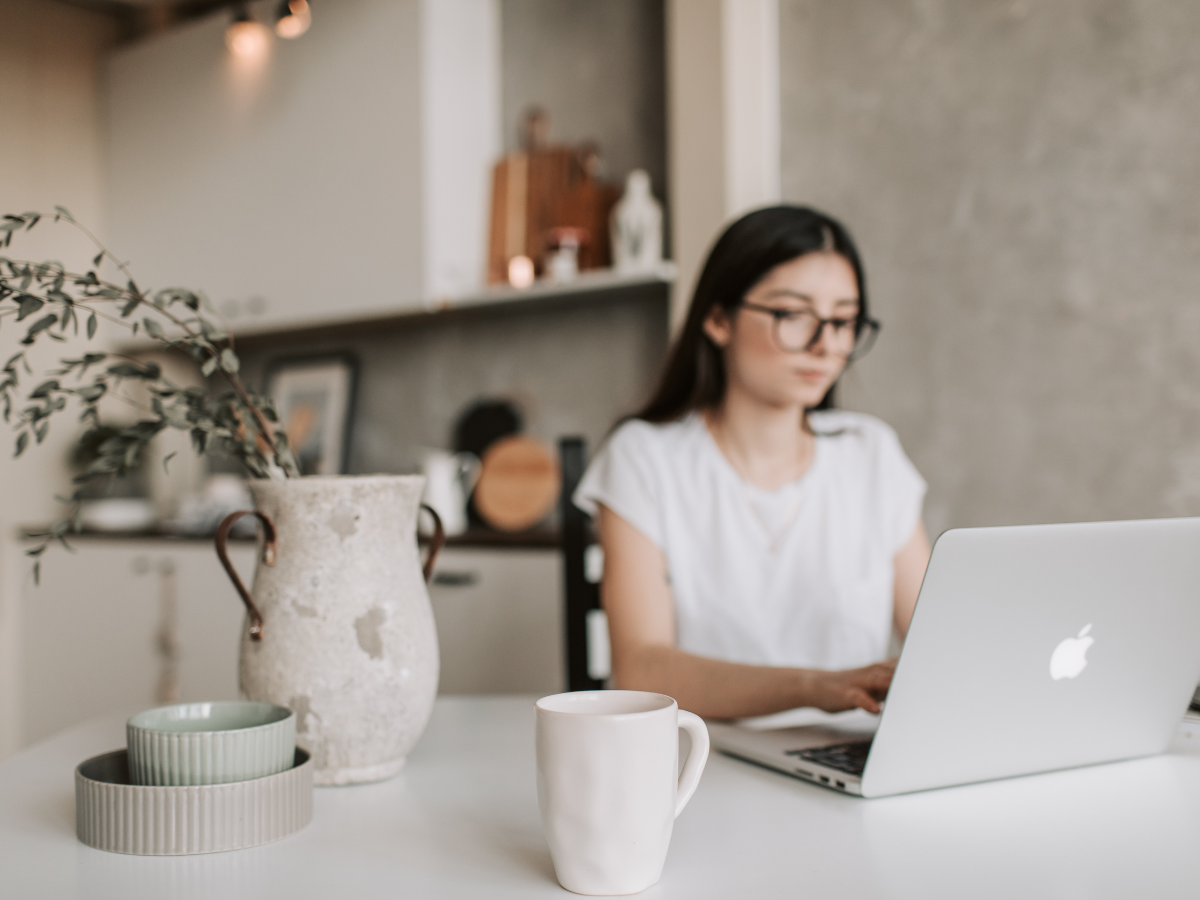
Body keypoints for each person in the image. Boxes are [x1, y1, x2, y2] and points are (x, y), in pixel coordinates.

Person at [574, 205, 931, 720]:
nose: (826, 344)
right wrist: (814, 686)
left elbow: (933, 641)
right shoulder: (644, 459)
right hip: (701, 762)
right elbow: (642, 669)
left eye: (844, 320)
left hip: (848, 760)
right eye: (794, 315)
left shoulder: (870, 453)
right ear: (719, 319)